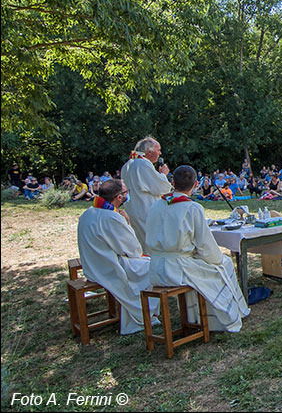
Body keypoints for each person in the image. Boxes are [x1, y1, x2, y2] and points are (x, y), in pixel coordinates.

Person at [145, 165, 249, 332]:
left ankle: (196, 316)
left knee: (216, 265)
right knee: (224, 264)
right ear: (195, 185)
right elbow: (205, 244)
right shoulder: (192, 208)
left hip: (155, 267)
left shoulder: (155, 206)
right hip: (178, 268)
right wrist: (215, 259)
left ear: (172, 182)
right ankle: (217, 318)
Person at [77, 179, 158, 334]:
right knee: (153, 267)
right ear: (119, 197)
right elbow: (133, 249)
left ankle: (150, 309)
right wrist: (127, 222)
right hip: (109, 267)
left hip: (92, 264)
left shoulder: (88, 213)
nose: (127, 195)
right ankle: (144, 312)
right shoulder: (111, 217)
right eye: (126, 192)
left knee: (147, 262)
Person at [120, 137, 172, 251]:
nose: (160, 153)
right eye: (158, 150)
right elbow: (161, 188)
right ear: (149, 151)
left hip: (133, 210)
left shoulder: (127, 165)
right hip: (145, 210)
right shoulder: (142, 164)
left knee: (141, 243)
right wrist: (163, 174)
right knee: (152, 245)